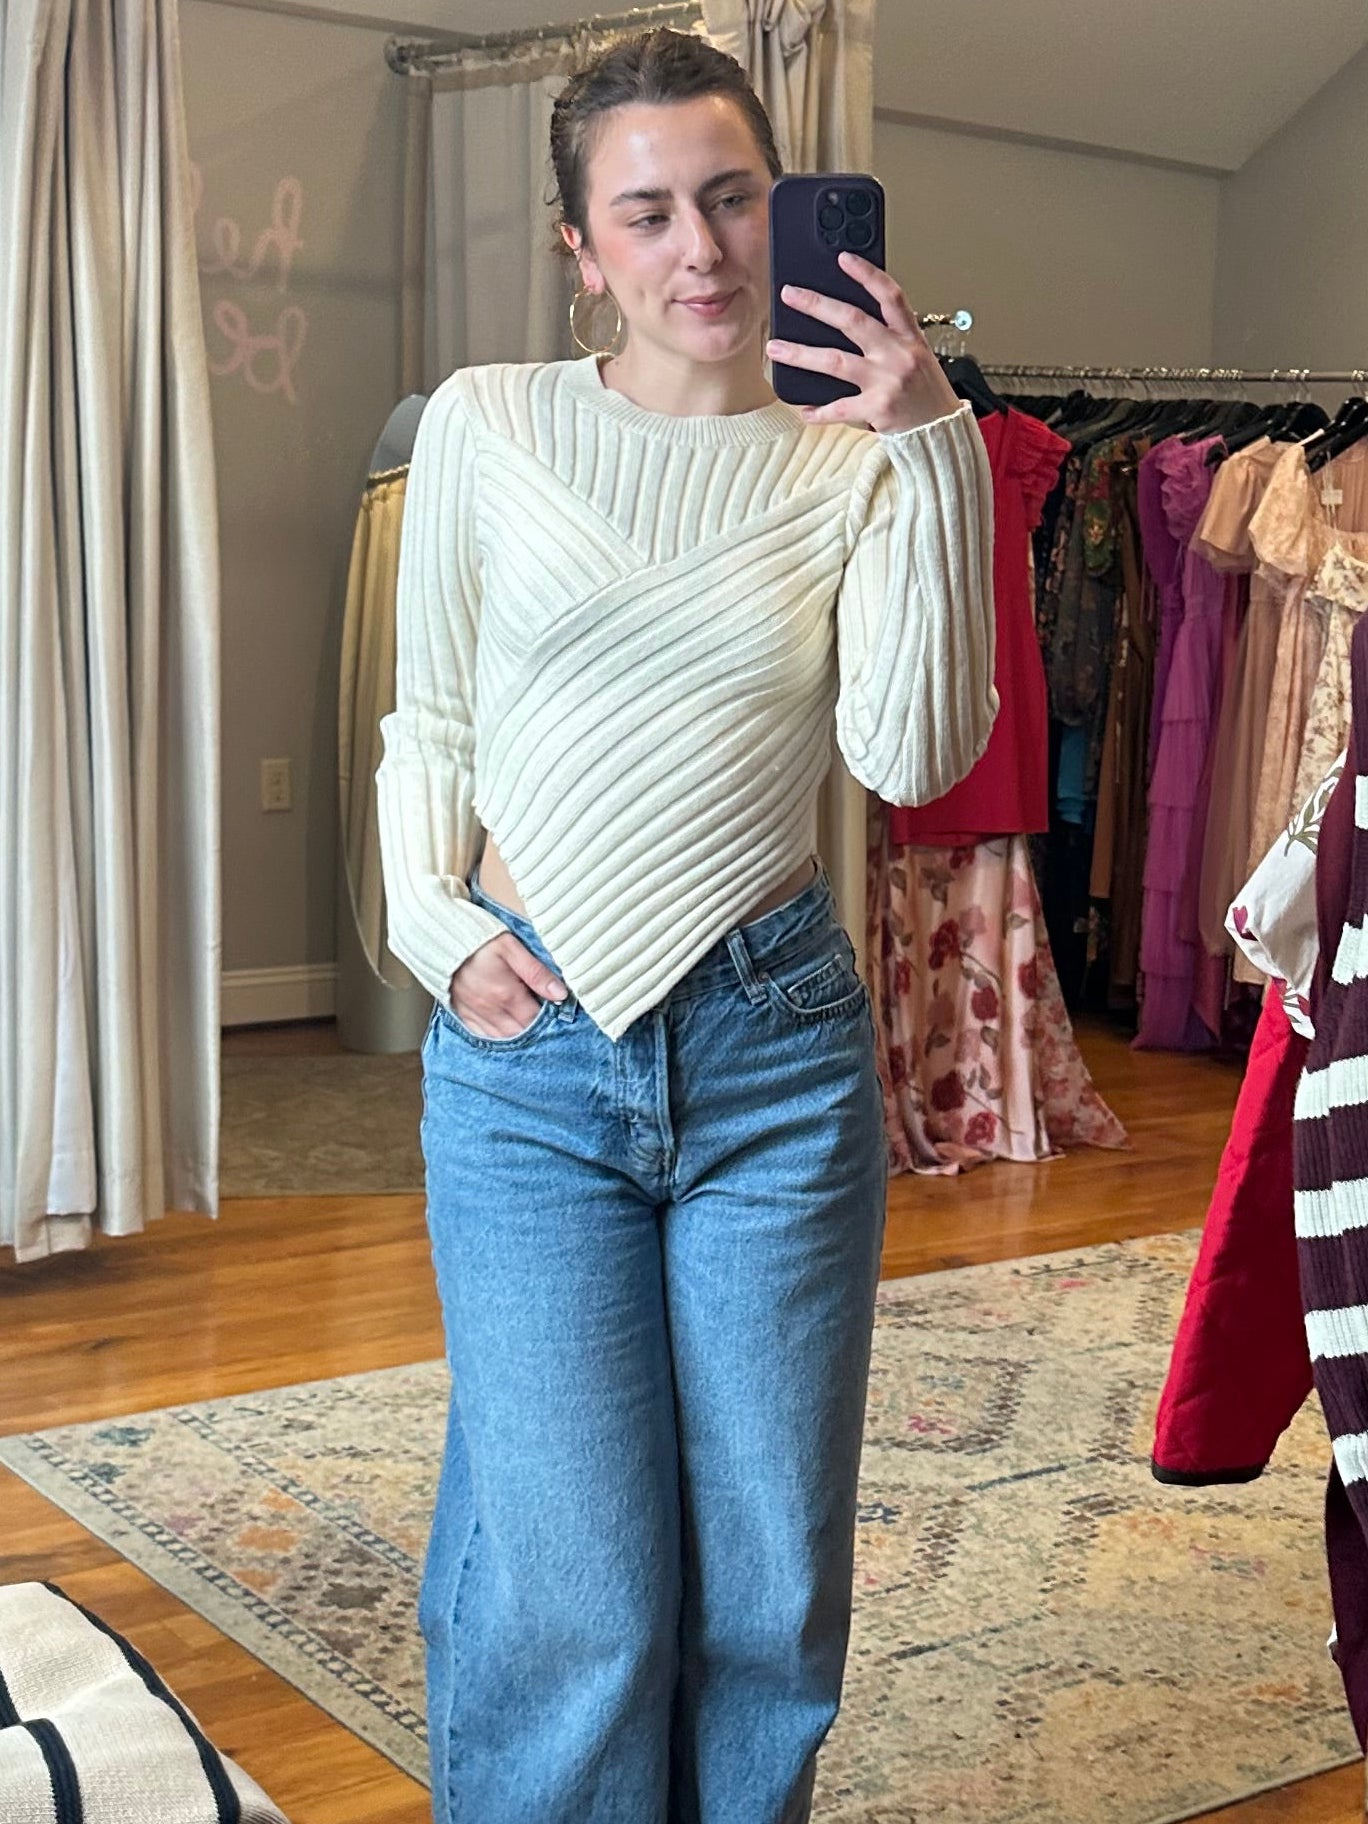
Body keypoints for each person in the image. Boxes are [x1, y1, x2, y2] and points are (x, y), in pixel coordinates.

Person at [375, 27, 995, 1824]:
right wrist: (429, 922)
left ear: (787, 207)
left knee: (769, 1594)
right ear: (581, 249)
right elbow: (433, 719)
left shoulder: (858, 461)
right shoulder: (489, 423)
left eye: (731, 198)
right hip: (530, 1062)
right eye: (646, 213)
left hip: (773, 1054)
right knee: (576, 1595)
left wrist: (935, 447)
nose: (702, 250)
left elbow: (912, 751)